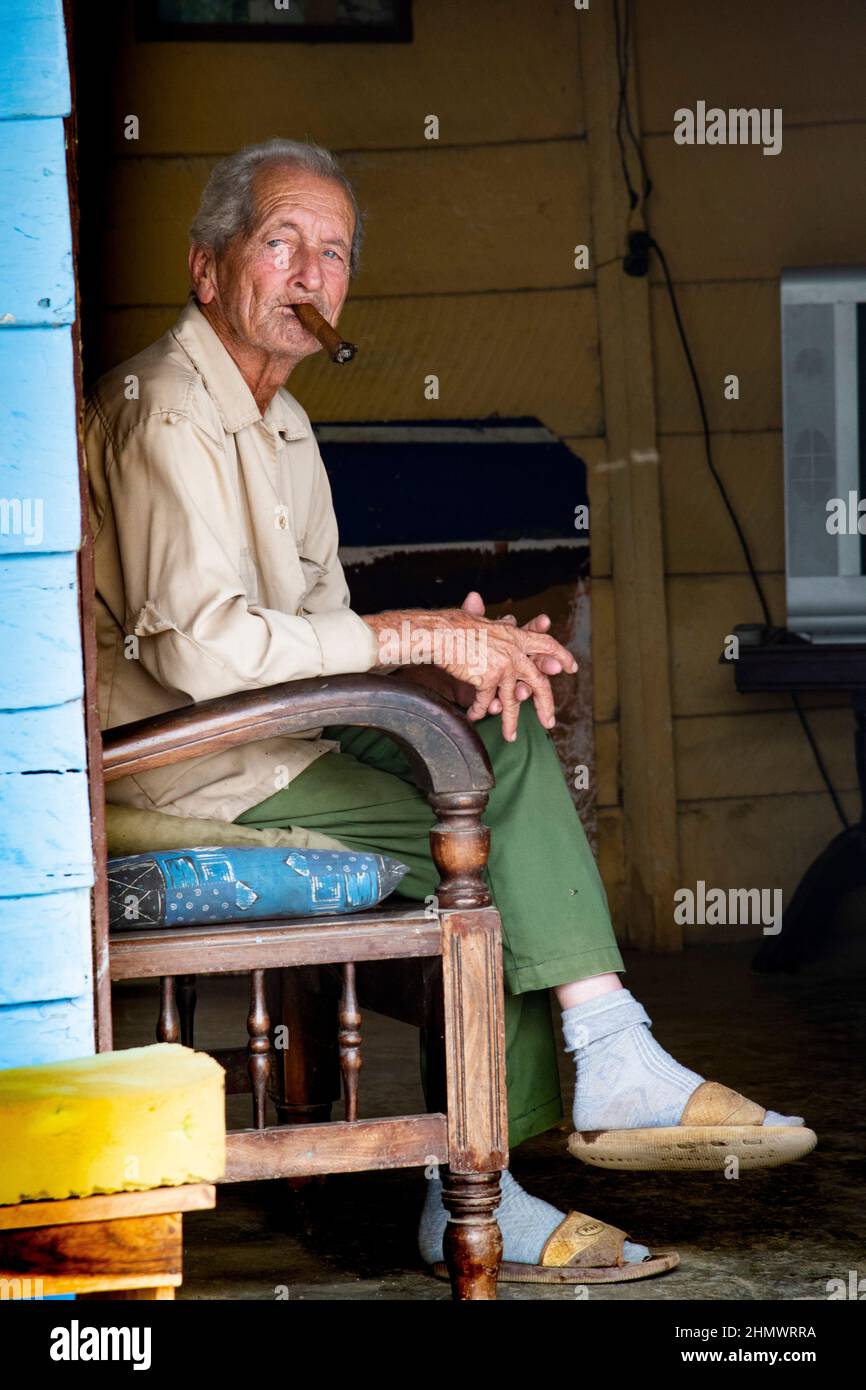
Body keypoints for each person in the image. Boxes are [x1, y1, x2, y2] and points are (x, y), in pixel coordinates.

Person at [85, 139, 816, 1286]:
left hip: (277, 735)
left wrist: (457, 659)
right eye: (279, 241)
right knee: (482, 861)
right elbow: (203, 651)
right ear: (207, 269)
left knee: (502, 719)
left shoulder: (282, 427)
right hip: (188, 765)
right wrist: (414, 633)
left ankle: (602, 1048)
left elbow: (317, 633)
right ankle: (491, 1172)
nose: (308, 273)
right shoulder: (165, 409)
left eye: (332, 254)